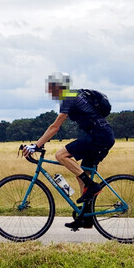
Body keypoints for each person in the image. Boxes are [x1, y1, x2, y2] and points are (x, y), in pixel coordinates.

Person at [22, 72, 115, 230]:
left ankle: (92, 186)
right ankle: (85, 217)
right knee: (83, 174)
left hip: (99, 136)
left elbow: (55, 127)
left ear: (59, 87)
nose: (49, 91)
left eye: (51, 87)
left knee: (60, 155)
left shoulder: (68, 97)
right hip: (102, 135)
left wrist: (36, 146)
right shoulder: (75, 95)